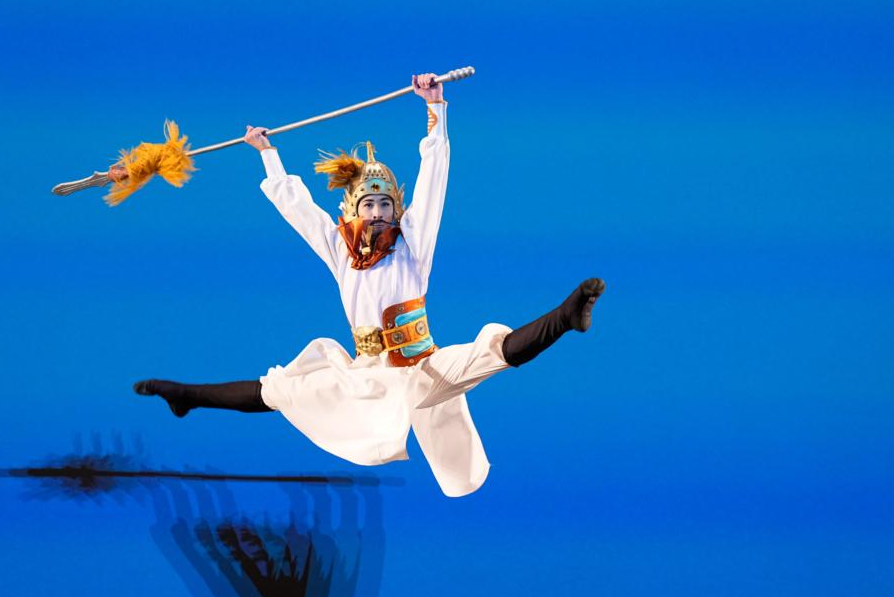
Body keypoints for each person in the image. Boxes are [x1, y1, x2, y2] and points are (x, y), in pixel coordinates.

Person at [135, 73, 605, 496]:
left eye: (384, 204)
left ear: (394, 209)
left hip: (424, 366)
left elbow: (434, 180)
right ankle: (187, 395)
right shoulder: (340, 249)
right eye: (368, 205)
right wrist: (269, 155)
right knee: (281, 391)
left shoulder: (412, 244)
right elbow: (301, 213)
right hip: (368, 375)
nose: (378, 212)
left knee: (490, 352)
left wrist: (435, 111)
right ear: (353, 210)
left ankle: (566, 317)